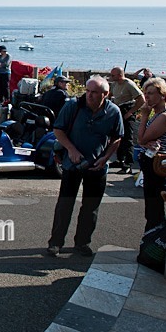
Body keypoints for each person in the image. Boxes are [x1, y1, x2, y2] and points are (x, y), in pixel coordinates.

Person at [46, 75, 123, 257]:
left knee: (91, 207)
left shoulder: (113, 112)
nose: (89, 95)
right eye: (88, 91)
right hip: (72, 165)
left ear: (105, 94)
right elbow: (58, 130)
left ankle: (82, 243)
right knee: (65, 204)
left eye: (94, 92)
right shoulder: (73, 106)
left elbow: (117, 137)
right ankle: (55, 243)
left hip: (97, 166)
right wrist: (71, 150)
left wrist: (105, 158)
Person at [136, 77, 166, 232]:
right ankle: (153, 238)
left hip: (157, 166)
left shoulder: (164, 116)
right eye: (145, 93)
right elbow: (143, 141)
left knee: (154, 209)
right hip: (150, 163)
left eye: (151, 93)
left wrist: (144, 116)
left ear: (162, 95)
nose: (147, 97)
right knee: (151, 208)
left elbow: (141, 138)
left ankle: (155, 240)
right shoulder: (158, 114)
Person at [109, 66, 145, 174]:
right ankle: (120, 160)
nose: (111, 77)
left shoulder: (128, 84)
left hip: (127, 111)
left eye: (113, 75)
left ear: (120, 75)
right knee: (117, 136)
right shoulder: (115, 84)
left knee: (127, 138)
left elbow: (141, 99)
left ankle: (128, 164)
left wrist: (131, 112)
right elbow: (110, 94)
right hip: (118, 111)